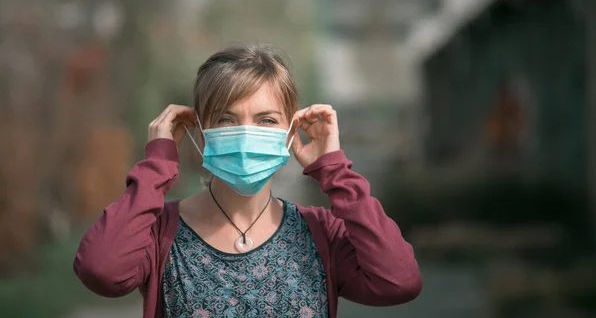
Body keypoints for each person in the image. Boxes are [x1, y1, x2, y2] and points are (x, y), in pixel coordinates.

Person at [73, 44, 422, 318]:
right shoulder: (159, 232)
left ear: (291, 129)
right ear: (200, 129)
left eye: (266, 120)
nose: (245, 134)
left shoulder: (322, 235)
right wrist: (157, 164)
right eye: (226, 118)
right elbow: (100, 271)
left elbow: (399, 282)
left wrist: (334, 171)